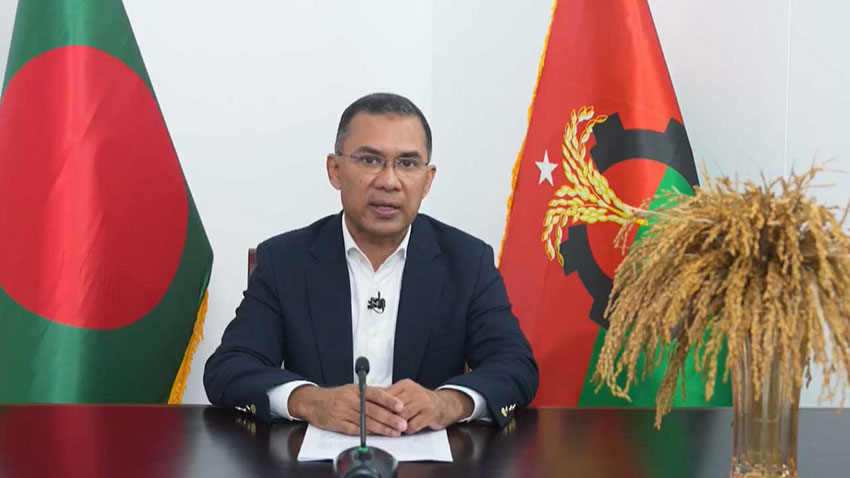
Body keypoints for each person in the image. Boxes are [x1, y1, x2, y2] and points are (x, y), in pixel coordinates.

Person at [204, 93, 538, 436]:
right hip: (316, 458)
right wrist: (312, 401)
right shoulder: (284, 260)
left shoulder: (467, 261)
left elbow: (515, 366)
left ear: (427, 180)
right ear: (335, 170)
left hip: (426, 458)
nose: (389, 181)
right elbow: (229, 368)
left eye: (407, 163)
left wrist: (448, 403)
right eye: (370, 160)